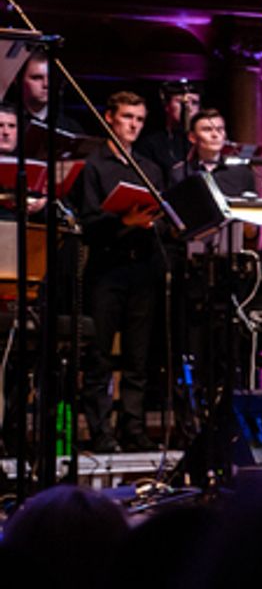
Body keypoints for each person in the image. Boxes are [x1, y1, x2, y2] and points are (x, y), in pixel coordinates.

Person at [70, 91, 165, 452]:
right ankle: (100, 432)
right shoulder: (94, 165)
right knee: (99, 355)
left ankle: (133, 429)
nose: (133, 125)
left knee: (138, 357)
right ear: (109, 117)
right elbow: (88, 222)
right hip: (106, 268)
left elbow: (163, 213)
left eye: (139, 119)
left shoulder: (149, 168)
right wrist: (124, 221)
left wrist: (152, 221)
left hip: (142, 267)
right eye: (127, 117)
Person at [169, 108, 257, 197]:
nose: (215, 135)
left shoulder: (242, 171)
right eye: (207, 129)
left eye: (219, 129)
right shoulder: (180, 173)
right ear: (192, 137)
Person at [135, 81, 200, 187]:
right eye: (181, 102)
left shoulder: (204, 141)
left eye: (194, 103)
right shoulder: (151, 144)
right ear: (167, 106)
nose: (188, 108)